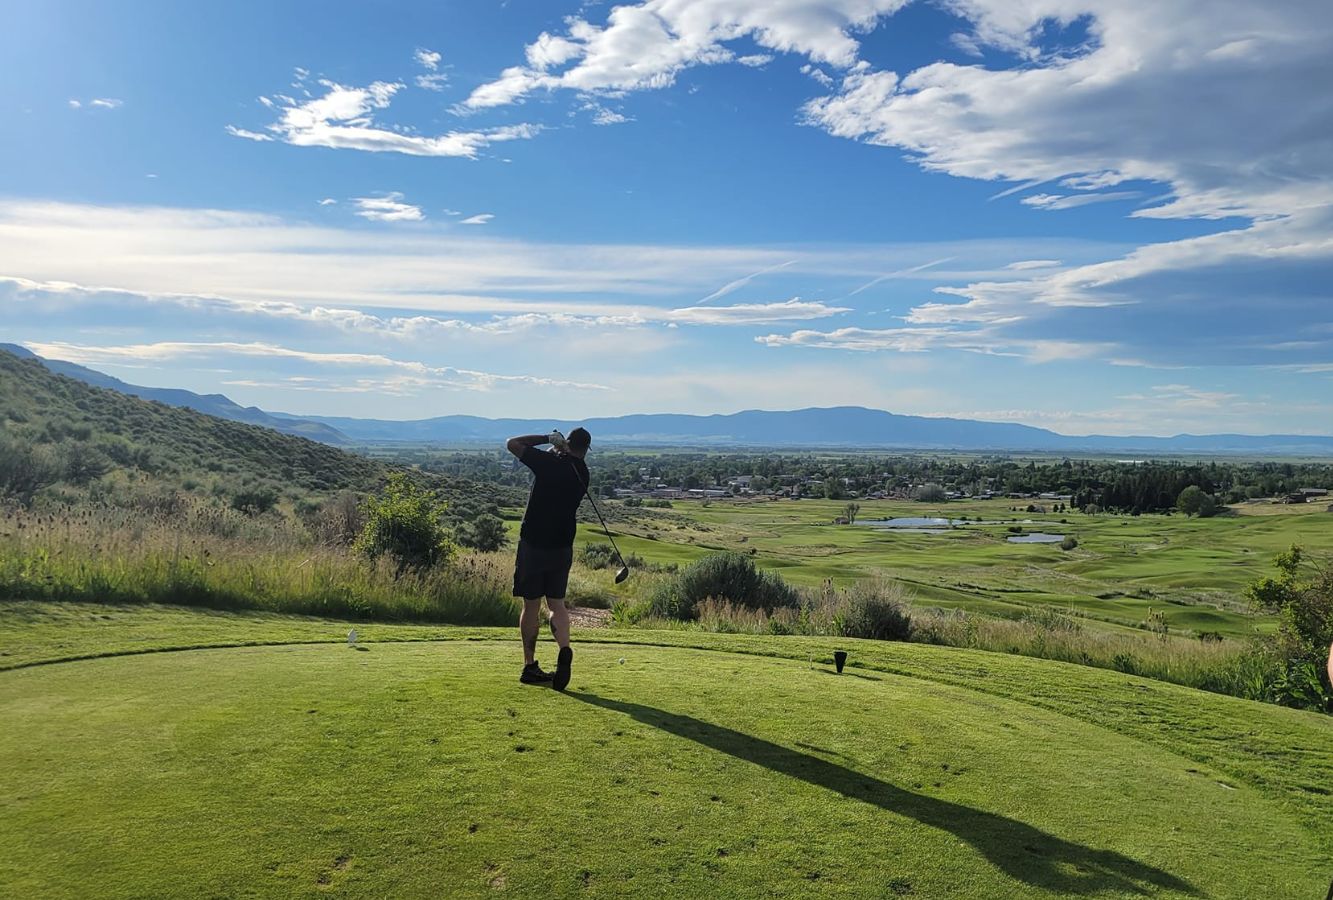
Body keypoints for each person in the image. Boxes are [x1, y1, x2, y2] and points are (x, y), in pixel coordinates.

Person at [505, 427, 591, 690]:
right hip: (562, 547)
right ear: (586, 449)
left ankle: (530, 665)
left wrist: (548, 440)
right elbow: (566, 463)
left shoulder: (549, 463)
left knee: (531, 606)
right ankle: (564, 647)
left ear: (567, 442)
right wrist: (560, 449)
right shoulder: (582, 472)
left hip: (533, 544)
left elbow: (513, 442)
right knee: (557, 604)